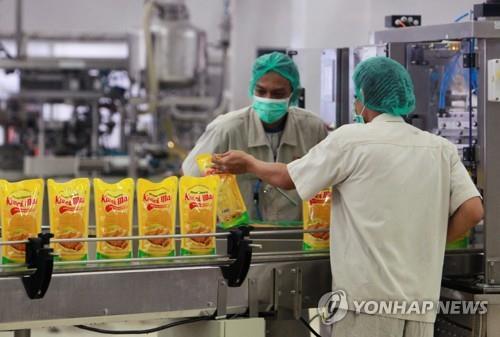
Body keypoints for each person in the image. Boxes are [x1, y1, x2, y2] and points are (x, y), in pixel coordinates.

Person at [212, 56, 484, 337]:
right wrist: (432, 242)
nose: (355, 104)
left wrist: (249, 164)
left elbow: (288, 178)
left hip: (366, 303)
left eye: (356, 96)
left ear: (364, 100)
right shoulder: (440, 148)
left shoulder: (351, 140)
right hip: (421, 304)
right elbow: (474, 210)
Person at [182, 52, 328, 222]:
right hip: (240, 239)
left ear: (293, 93)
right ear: (253, 89)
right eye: (261, 91)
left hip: (295, 238)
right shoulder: (227, 128)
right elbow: (191, 177)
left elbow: (327, 184)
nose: (268, 99)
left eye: (278, 93)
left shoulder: (312, 128)